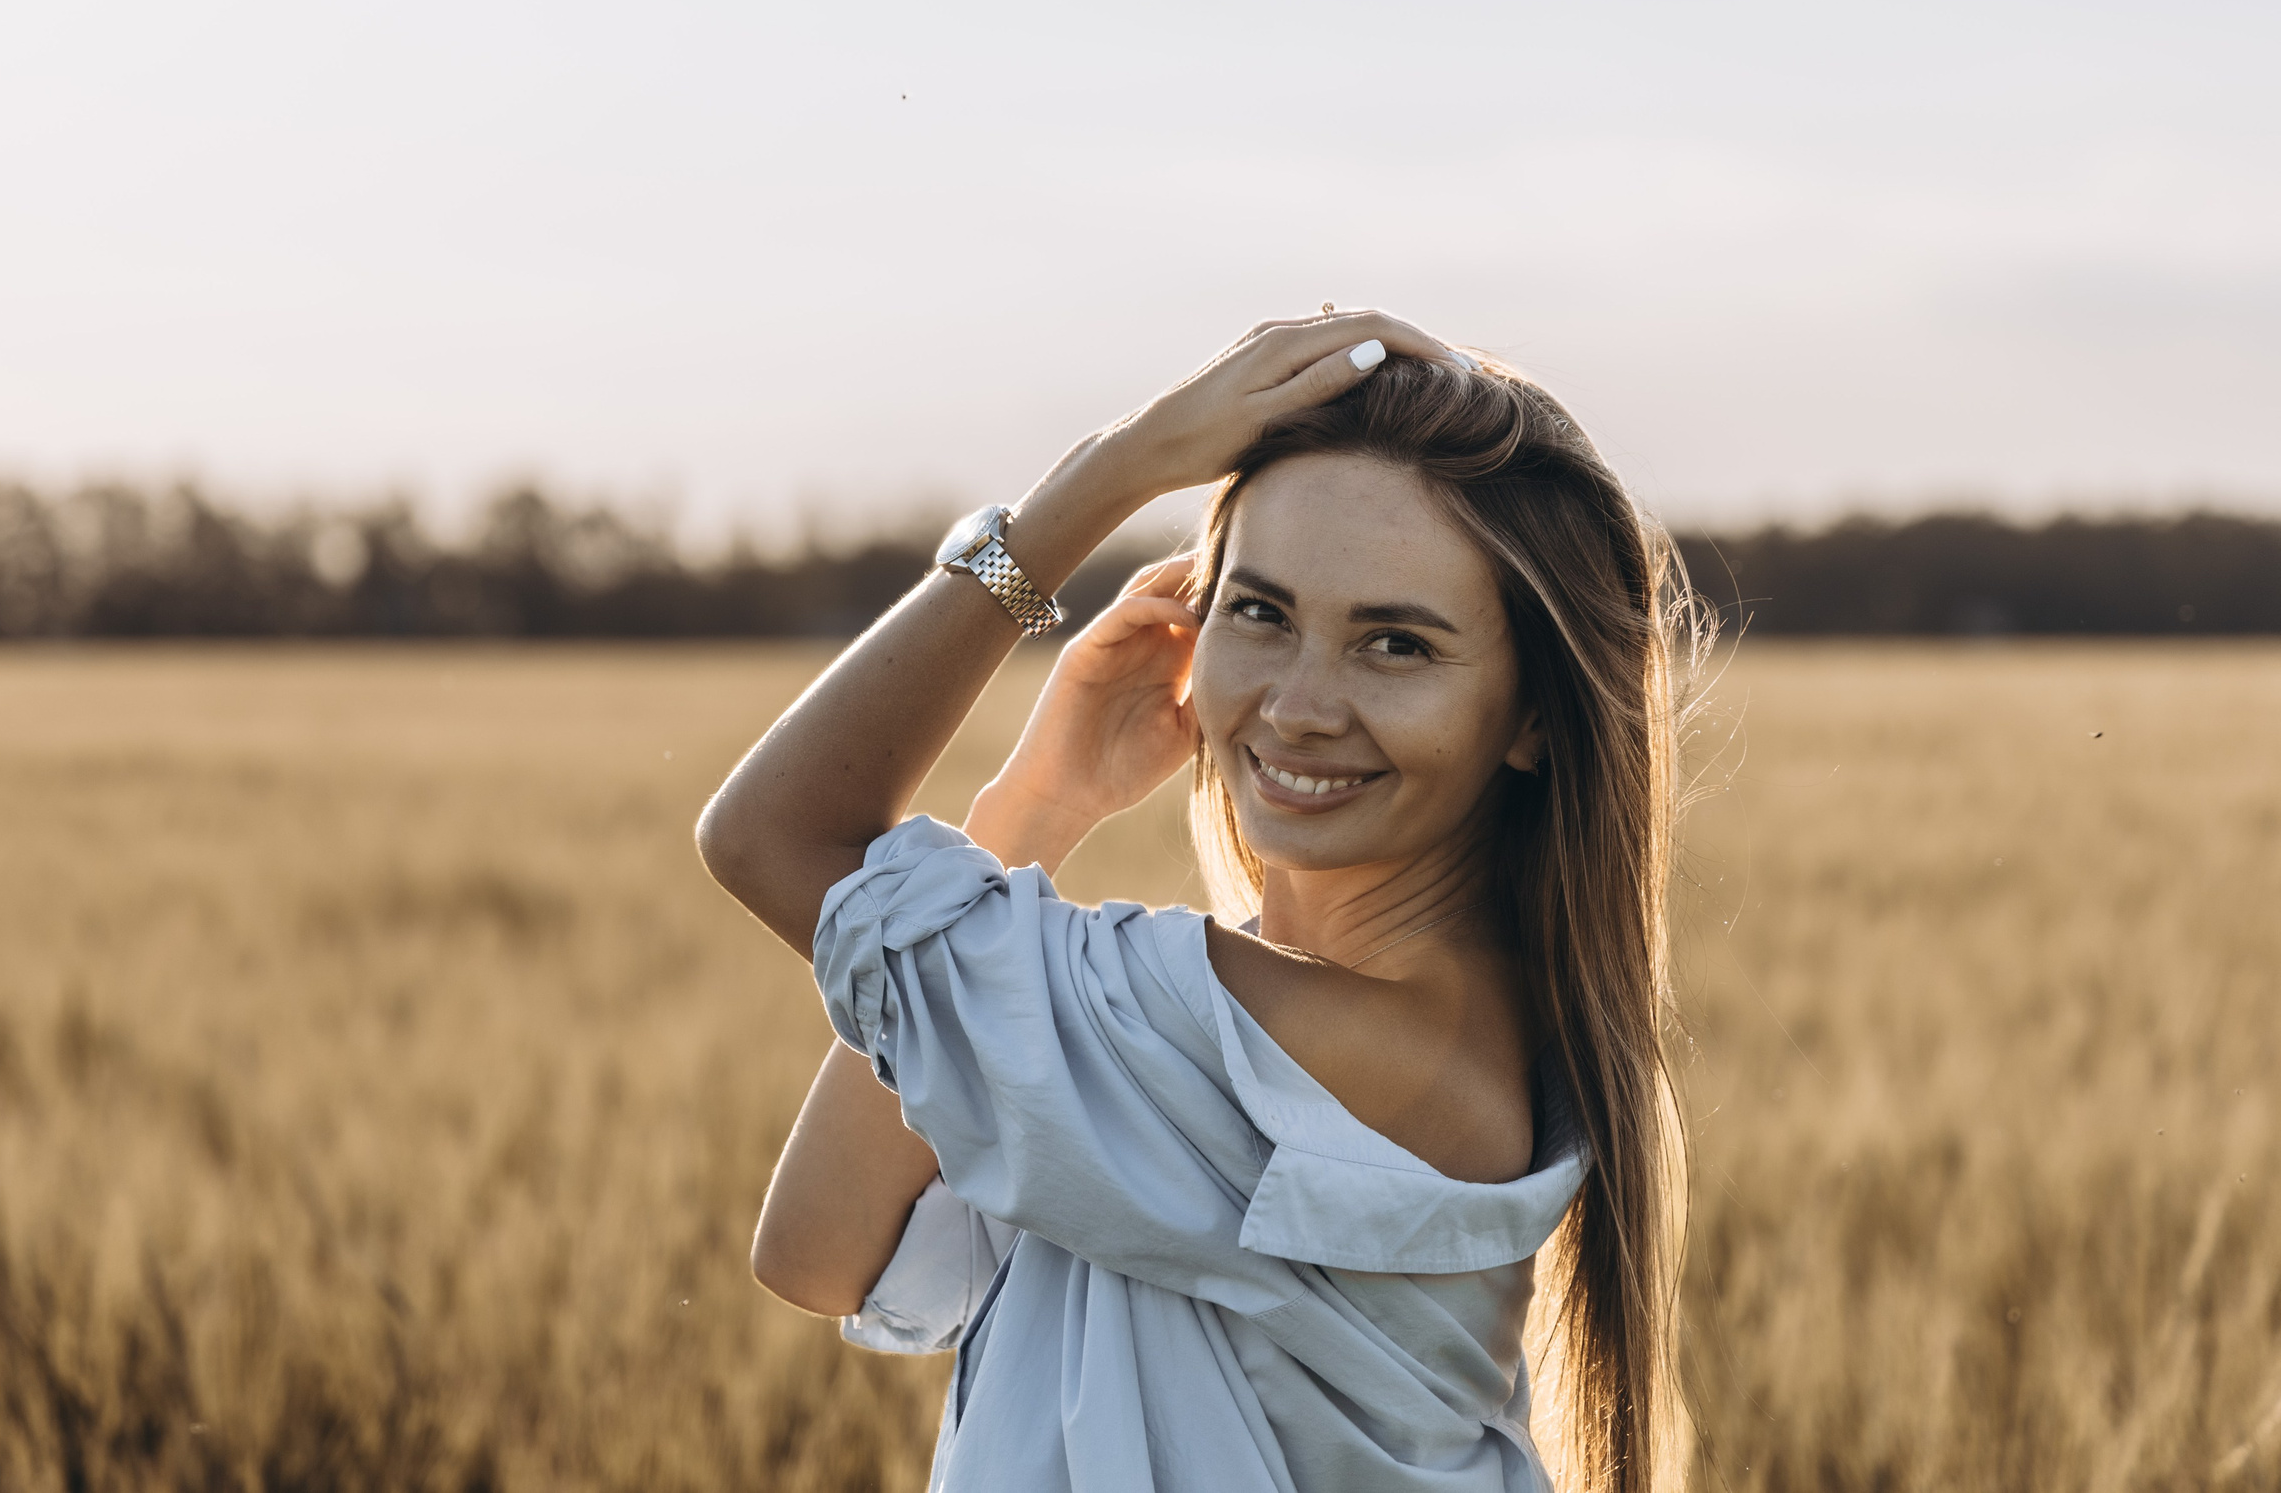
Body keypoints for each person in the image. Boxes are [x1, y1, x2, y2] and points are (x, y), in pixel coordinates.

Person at [697, 309, 1697, 1493]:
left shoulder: (1270, 1048)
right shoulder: (1227, 1051)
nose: (1297, 706)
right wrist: (1036, 807)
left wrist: (1103, 475)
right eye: (1260, 613)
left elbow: (772, 834)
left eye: (1395, 646)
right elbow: (824, 1251)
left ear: (1533, 716)